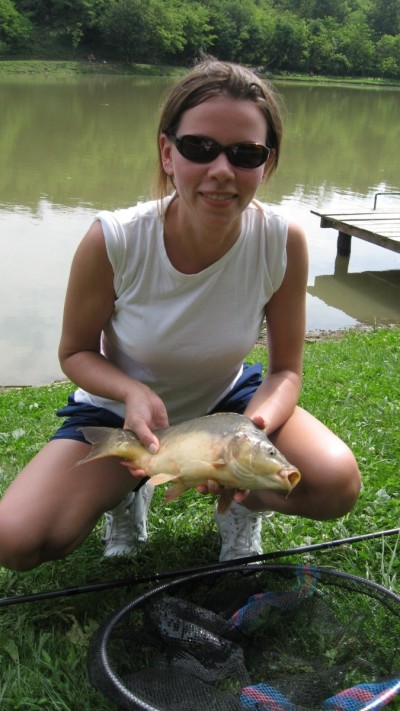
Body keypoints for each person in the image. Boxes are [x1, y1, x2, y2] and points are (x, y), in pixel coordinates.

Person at [0, 58, 361, 572]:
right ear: (168, 153)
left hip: (227, 405)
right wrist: (131, 392)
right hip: (119, 415)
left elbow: (285, 371)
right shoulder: (115, 239)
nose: (222, 170)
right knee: (16, 540)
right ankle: (128, 492)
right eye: (199, 147)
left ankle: (243, 506)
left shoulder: (282, 240)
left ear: (267, 164)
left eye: (245, 153)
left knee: (335, 482)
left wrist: (241, 437)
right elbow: (75, 352)